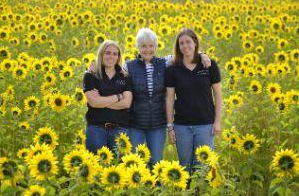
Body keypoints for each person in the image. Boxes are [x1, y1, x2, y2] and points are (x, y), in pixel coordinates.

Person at [124, 28, 211, 168]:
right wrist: (91, 70)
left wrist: (202, 55)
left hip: (158, 123)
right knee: (134, 162)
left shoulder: (165, 63)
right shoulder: (128, 66)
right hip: (135, 123)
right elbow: (112, 72)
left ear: (156, 47)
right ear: (137, 47)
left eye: (151, 45)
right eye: (143, 46)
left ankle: (155, 189)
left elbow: (187, 53)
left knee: (156, 162)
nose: (147, 49)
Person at [165, 28, 222, 174]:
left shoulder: (209, 65)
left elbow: (218, 95)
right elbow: (170, 99)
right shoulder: (173, 68)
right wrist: (170, 126)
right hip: (182, 126)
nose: (185, 46)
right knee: (185, 167)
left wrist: (217, 122)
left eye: (188, 42)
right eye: (181, 43)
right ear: (178, 47)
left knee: (204, 167)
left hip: (205, 124)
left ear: (195, 42)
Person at [83, 40, 132, 154]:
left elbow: (127, 103)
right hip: (96, 128)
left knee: (120, 168)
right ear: (101, 54)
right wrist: (119, 96)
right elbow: (94, 102)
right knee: (95, 167)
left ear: (119, 57)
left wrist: (101, 100)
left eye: (115, 54)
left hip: (120, 129)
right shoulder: (91, 75)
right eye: (108, 53)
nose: (111, 56)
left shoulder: (125, 76)